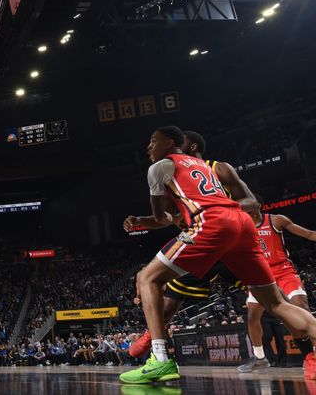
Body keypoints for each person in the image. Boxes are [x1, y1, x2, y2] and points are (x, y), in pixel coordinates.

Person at [121, 126, 316, 383]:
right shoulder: (205, 167)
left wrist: (158, 220)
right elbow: (171, 216)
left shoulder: (161, 167)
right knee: (276, 304)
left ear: (171, 143)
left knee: (147, 278)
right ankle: (152, 338)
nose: (148, 147)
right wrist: (144, 221)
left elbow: (161, 218)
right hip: (240, 227)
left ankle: (160, 359)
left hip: (211, 226)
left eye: (152, 141)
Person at [128, 130, 255, 358]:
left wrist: (220, 212)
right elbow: (164, 218)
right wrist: (140, 221)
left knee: (268, 296)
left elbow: (252, 202)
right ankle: (153, 337)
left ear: (192, 146)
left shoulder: (218, 167)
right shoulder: (172, 174)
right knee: (168, 303)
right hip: (201, 240)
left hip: (222, 235)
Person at [237, 208, 316, 372]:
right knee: (252, 316)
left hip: (284, 271)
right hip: (260, 275)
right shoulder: (240, 227)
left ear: (257, 206)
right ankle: (259, 358)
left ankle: (311, 356)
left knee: (301, 308)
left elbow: (309, 234)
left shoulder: (276, 220)